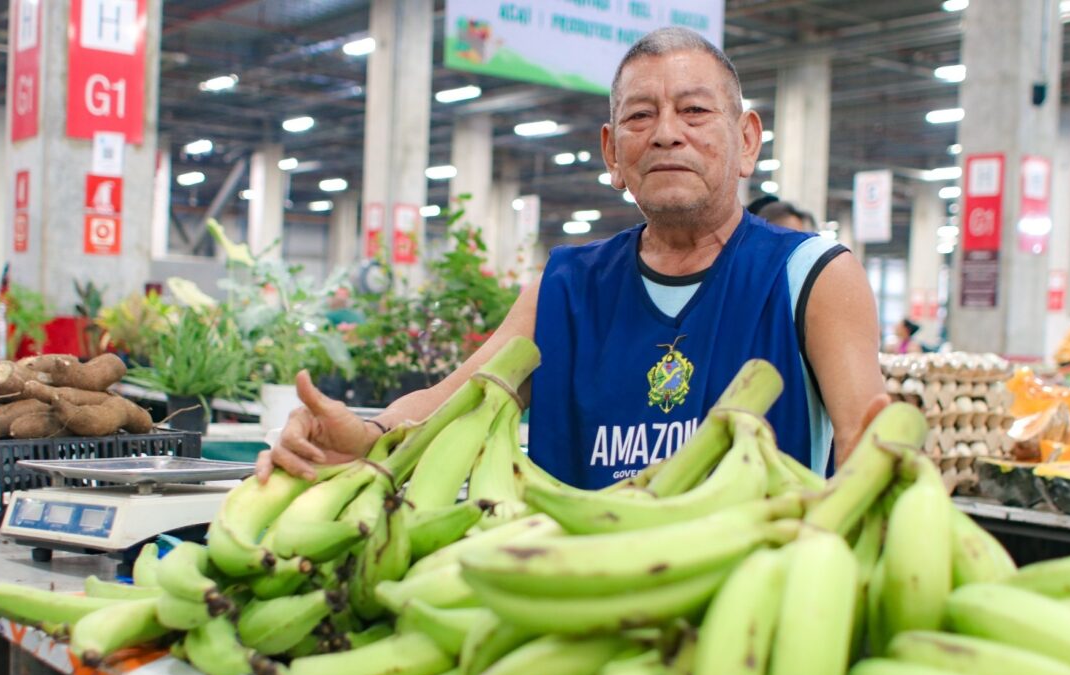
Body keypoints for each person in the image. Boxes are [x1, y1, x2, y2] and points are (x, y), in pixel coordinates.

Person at [257, 27, 887, 488]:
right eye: (642, 115)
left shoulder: (812, 277)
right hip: (573, 597)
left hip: (746, 608)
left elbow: (866, 447)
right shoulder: (566, 289)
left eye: (695, 111)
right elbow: (453, 402)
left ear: (747, 141)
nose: (667, 131)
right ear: (613, 155)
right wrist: (365, 437)